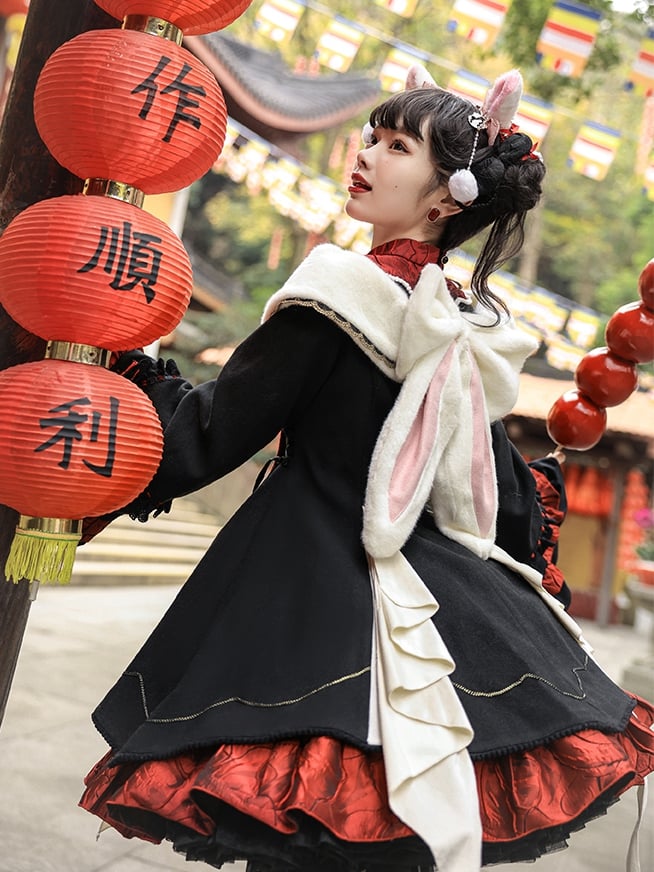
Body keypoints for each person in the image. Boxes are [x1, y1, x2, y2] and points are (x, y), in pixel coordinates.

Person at [79, 66, 654, 872]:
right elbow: (494, 486)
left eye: (396, 145)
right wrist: (540, 496)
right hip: (442, 600)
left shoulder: (339, 292)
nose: (366, 154)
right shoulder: (458, 321)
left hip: (307, 593)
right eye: (372, 136)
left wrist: (120, 375)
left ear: (446, 197)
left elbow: (213, 430)